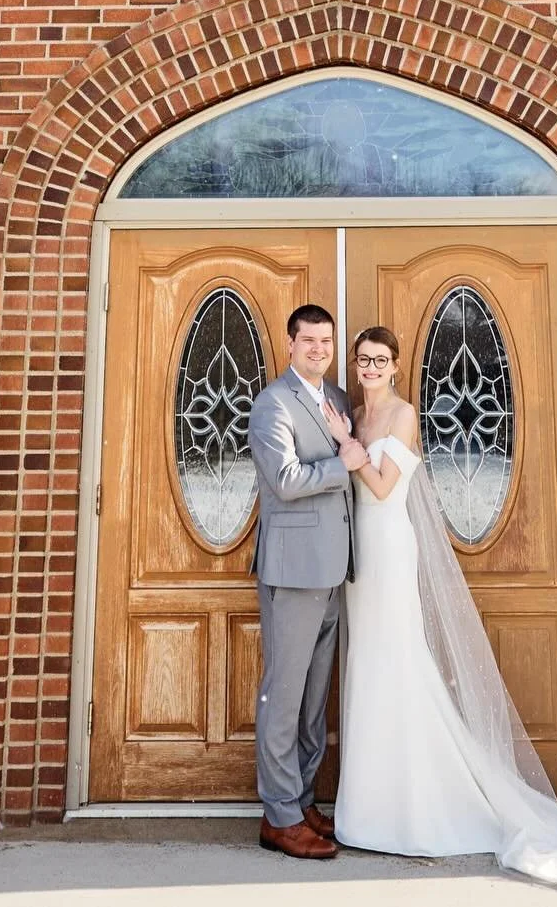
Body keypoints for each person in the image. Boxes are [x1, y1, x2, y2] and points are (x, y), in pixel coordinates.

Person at [323, 324, 557, 895]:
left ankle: (420, 808)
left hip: (391, 548)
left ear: (396, 365)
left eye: (380, 360)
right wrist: (344, 440)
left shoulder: (401, 415)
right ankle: (369, 806)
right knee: (367, 665)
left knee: (400, 663)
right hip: (359, 559)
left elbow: (379, 485)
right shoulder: (354, 415)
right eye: (363, 359)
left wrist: (348, 452)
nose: (370, 367)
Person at [245, 302, 368, 859]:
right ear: (289, 343)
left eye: (326, 341)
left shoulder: (337, 398)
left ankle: (302, 799)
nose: (318, 349)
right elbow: (287, 480)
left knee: (315, 699)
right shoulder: (273, 404)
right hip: (292, 572)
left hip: (332, 571)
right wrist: (346, 462)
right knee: (284, 696)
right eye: (309, 341)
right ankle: (278, 818)